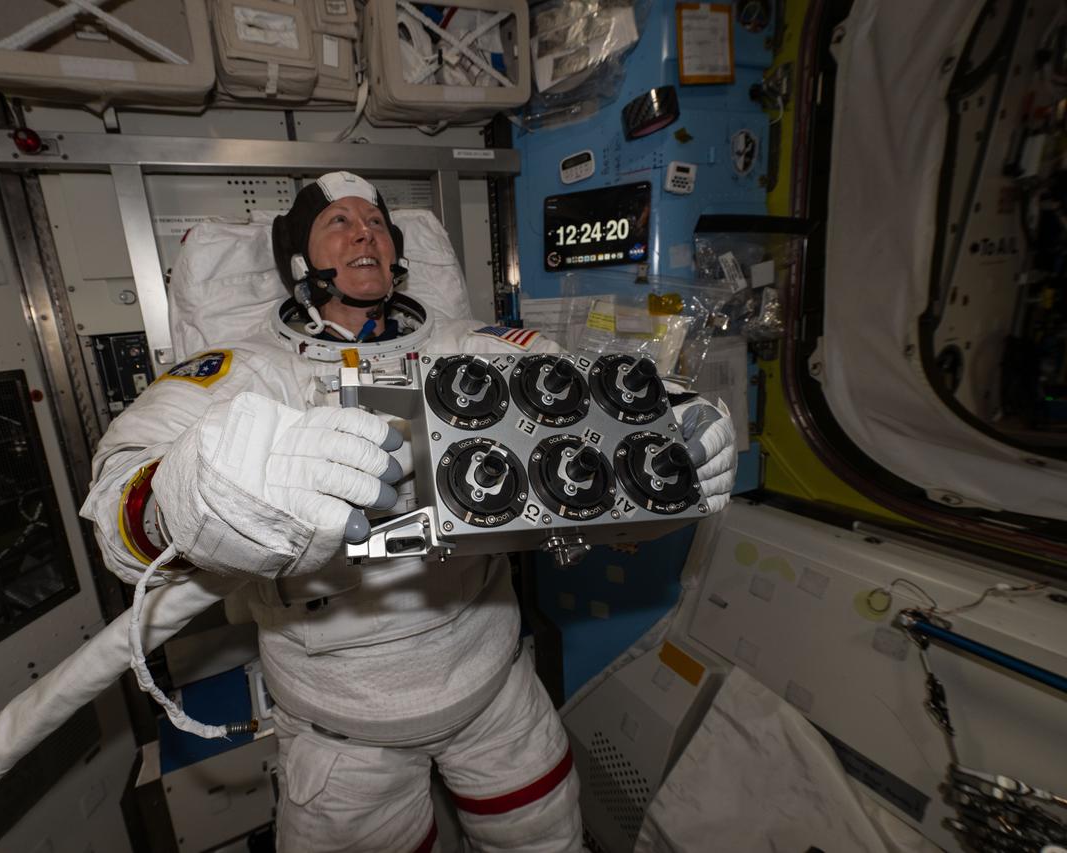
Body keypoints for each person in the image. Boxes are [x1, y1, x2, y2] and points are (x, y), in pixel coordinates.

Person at [80, 171, 736, 852]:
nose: (366, 231)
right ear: (299, 262)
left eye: (377, 222)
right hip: (343, 722)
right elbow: (116, 506)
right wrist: (195, 494)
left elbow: (582, 404)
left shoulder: (462, 344)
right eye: (339, 221)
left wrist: (672, 427)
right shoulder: (246, 372)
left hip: (491, 692)